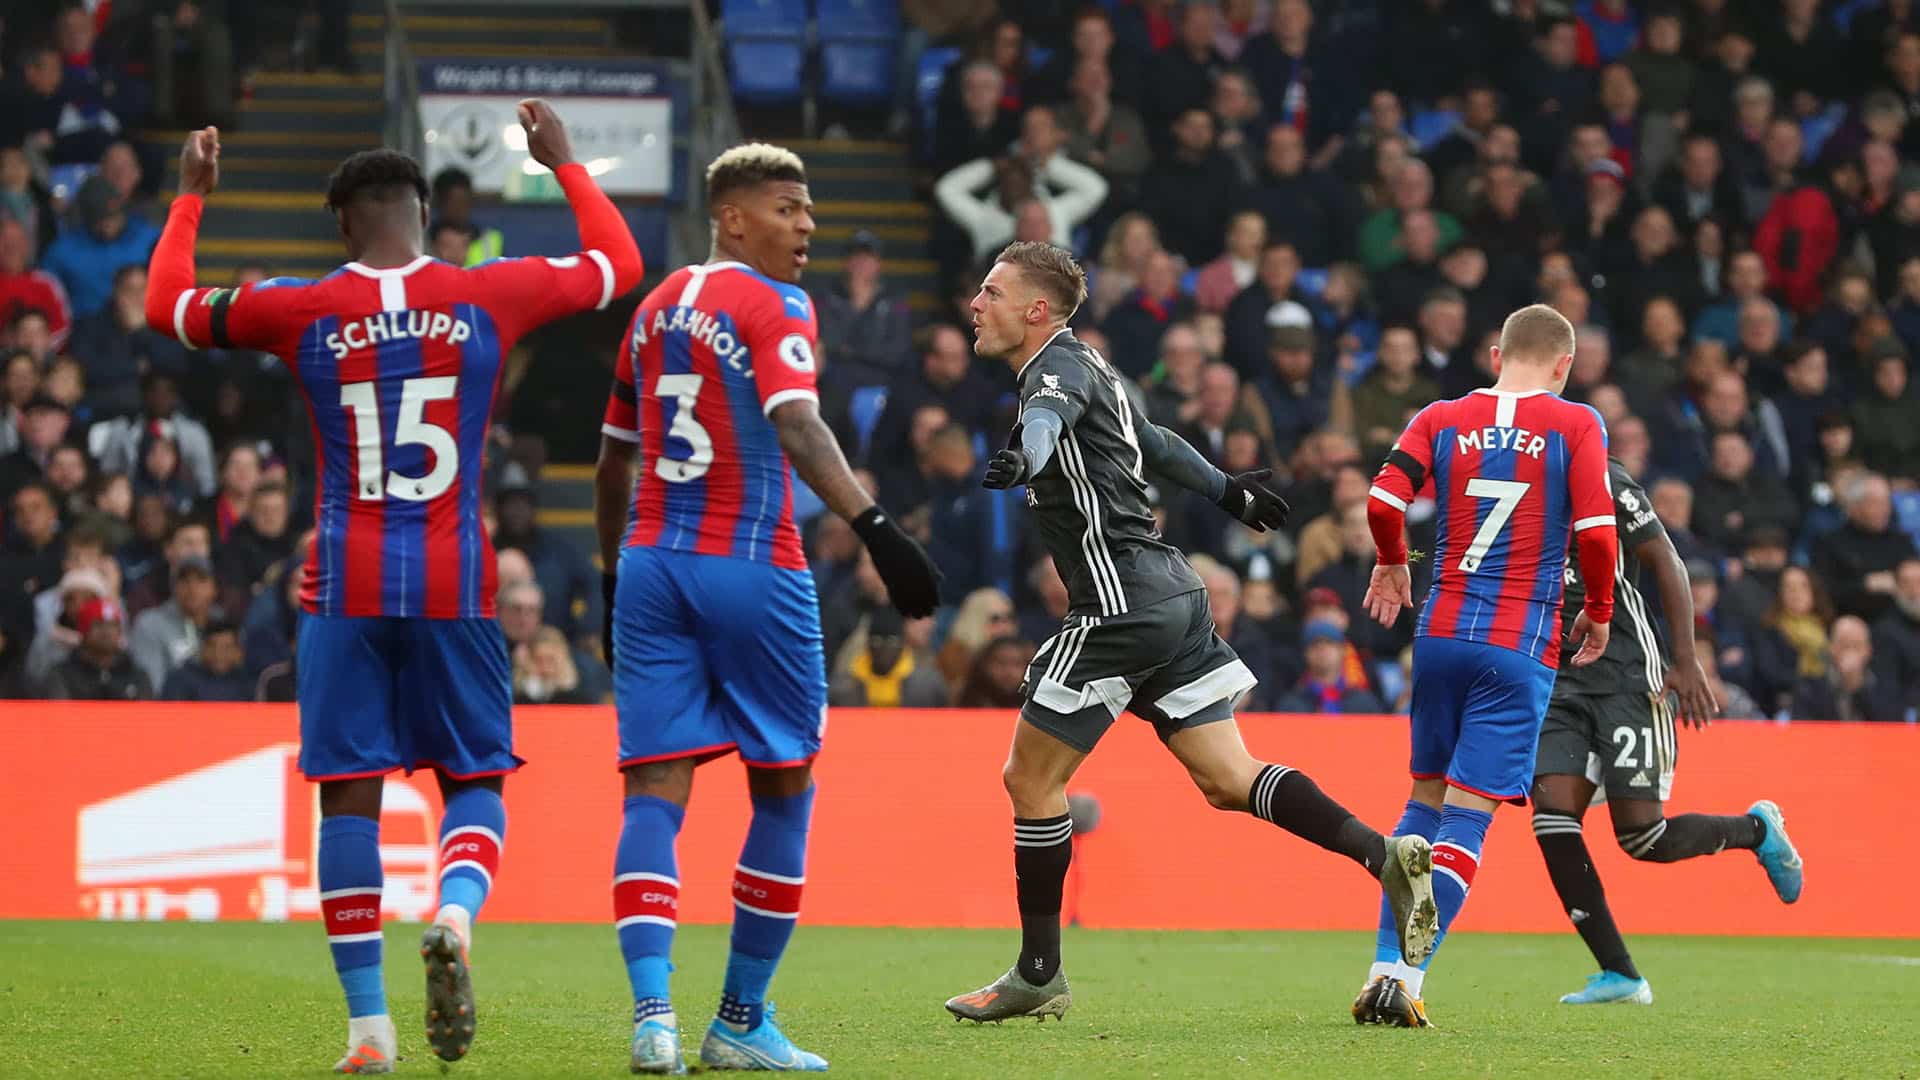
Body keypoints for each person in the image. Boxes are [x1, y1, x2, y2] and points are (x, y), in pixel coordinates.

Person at [142, 102, 643, 1071]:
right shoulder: (487, 292)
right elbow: (617, 264)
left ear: (342, 225)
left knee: (347, 799)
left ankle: (368, 1029)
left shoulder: (301, 306)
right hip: (454, 582)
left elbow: (169, 305)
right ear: (420, 209)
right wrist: (566, 164)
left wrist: (188, 199)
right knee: (474, 782)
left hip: (341, 590)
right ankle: (454, 915)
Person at [944, 240, 1436, 1025]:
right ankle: (1384, 858)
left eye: (992, 291)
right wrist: (1229, 494)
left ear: (1037, 310)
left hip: (1118, 606)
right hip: (1175, 595)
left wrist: (1024, 454)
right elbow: (1158, 439)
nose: (976, 303)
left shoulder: (1054, 373)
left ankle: (1039, 974)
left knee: (1029, 781)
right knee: (1227, 779)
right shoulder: (1095, 365)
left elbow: (1045, 420)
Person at [592, 143, 941, 1074]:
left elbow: (614, 458)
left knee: (654, 789)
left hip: (650, 565)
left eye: (811, 212)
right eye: (789, 209)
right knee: (784, 783)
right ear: (733, 217)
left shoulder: (656, 307)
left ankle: (653, 1017)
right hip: (750, 564)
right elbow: (796, 419)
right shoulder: (775, 302)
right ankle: (739, 1019)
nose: (807, 229)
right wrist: (877, 527)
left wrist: (603, 578)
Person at [1354, 304, 1620, 1028]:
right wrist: (1597, 610)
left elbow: (1383, 501)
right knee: (1465, 822)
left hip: (1439, 633)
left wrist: (1390, 563)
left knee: (1421, 805)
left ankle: (1382, 966)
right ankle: (1405, 978)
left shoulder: (1441, 415)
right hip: (1518, 642)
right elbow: (1597, 532)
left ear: (1497, 353)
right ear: (1563, 364)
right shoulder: (1575, 423)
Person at [1530, 458, 1803, 1007]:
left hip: (1628, 673)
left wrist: (1684, 659)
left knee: (1643, 839)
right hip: (1558, 677)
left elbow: (1665, 559)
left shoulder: (1597, 473)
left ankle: (1756, 829)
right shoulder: (1502, 478)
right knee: (1552, 817)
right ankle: (1621, 974)